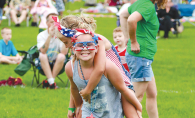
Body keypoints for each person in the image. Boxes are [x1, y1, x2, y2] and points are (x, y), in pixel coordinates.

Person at [52, 15, 141, 117]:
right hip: (99, 81)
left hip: (120, 81)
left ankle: (139, 107)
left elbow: (99, 69)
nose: (66, 46)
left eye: (65, 42)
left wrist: (87, 91)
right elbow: (75, 81)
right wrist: (74, 106)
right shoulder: (80, 48)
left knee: (132, 114)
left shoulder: (96, 40)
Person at [119, 0, 167, 117]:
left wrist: (126, 36)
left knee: (152, 94)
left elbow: (123, 15)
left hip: (143, 57)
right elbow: (130, 19)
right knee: (136, 97)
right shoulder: (147, 5)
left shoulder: (140, 3)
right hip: (140, 57)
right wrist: (133, 41)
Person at [36, 12, 67, 89]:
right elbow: (43, 50)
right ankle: (52, 83)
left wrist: (63, 38)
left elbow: (64, 52)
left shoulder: (60, 35)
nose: (54, 24)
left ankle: (50, 82)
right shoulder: (41, 35)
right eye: (52, 22)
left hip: (57, 62)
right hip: (43, 62)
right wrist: (50, 35)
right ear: (46, 23)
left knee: (61, 56)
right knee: (42, 55)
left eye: (56, 22)